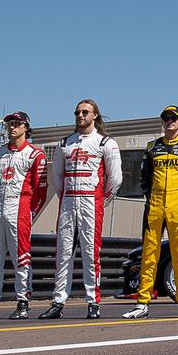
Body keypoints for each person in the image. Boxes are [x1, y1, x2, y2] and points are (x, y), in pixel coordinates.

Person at [41, 99, 122, 319]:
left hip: (91, 201)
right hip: (68, 202)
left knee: (90, 253)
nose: (80, 115)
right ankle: (58, 302)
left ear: (95, 115)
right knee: (63, 253)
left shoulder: (105, 142)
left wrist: (102, 199)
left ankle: (93, 302)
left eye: (85, 112)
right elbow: (56, 177)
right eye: (77, 112)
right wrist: (65, 195)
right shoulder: (65, 143)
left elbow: (115, 178)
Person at [124, 106, 178, 319]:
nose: (170, 121)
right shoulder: (153, 147)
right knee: (149, 255)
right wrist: (151, 198)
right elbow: (144, 178)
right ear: (162, 122)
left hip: (177, 207)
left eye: (173, 118)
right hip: (154, 207)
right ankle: (142, 302)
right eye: (166, 118)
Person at [0, 111, 45, 320]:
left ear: (26, 127)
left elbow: (41, 189)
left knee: (22, 257)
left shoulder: (36, 154)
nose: (12, 127)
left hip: (21, 209)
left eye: (16, 124)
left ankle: (23, 302)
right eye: (9, 124)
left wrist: (29, 210)